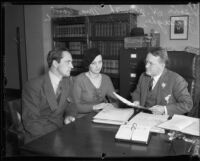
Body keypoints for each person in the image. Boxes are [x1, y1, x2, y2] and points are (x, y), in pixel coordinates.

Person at [22, 47, 77, 143]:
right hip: (39, 138)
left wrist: (69, 115)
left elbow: (71, 105)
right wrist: (54, 139)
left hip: (60, 131)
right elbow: (31, 123)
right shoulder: (33, 86)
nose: (72, 66)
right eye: (68, 62)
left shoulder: (68, 82)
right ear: (55, 63)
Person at [131, 47, 193, 116]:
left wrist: (164, 109)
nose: (146, 66)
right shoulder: (143, 76)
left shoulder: (176, 80)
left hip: (165, 120)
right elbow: (137, 93)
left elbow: (188, 104)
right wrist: (136, 101)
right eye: (146, 62)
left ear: (162, 65)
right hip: (143, 116)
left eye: (151, 63)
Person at [72, 48, 118, 116]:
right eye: (93, 63)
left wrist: (112, 105)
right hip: (83, 117)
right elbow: (75, 106)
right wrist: (95, 107)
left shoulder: (106, 79)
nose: (98, 66)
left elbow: (116, 101)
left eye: (100, 62)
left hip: (101, 115)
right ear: (88, 64)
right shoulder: (79, 80)